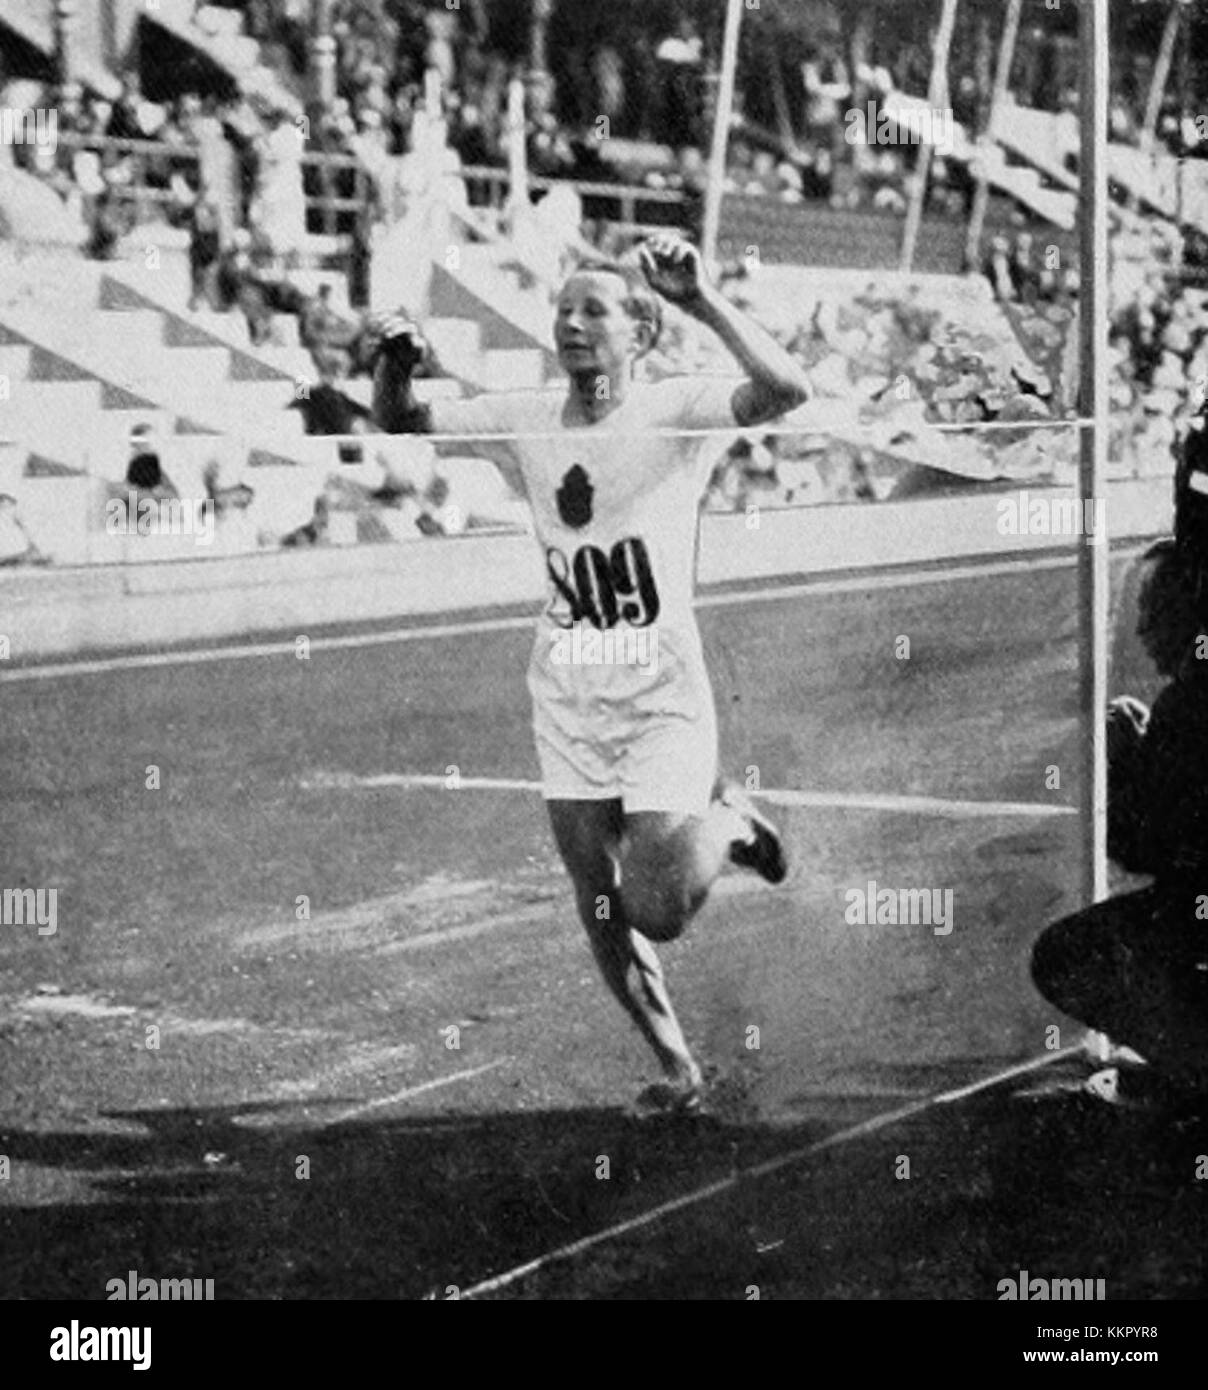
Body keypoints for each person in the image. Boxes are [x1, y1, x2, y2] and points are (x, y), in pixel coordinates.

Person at [369, 234, 811, 1112]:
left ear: (640, 332)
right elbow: (398, 420)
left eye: (594, 309)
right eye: (563, 309)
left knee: (658, 907)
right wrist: (395, 360)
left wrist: (703, 300)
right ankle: (677, 1064)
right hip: (568, 683)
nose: (571, 323)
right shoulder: (527, 417)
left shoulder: (675, 409)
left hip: (658, 685)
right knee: (595, 891)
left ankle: (727, 825)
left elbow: (787, 389)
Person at [1031, 537, 1208, 1106]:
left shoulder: (1188, 705)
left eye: (1152, 615)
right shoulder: (1186, 702)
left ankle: (1196, 1071)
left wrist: (1125, 758)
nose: (1140, 633)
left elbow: (1146, 846)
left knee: (1069, 956)